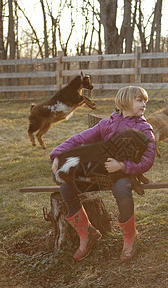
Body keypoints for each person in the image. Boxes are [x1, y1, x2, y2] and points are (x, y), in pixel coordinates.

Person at [50, 86, 155, 261]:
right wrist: (57, 154)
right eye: (139, 100)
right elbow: (79, 139)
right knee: (67, 188)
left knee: (121, 189)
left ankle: (130, 237)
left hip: (126, 174)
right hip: (101, 174)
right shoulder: (107, 124)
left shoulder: (144, 128)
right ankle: (87, 234)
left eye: (145, 101)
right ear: (124, 102)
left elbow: (148, 160)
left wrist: (122, 166)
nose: (143, 104)